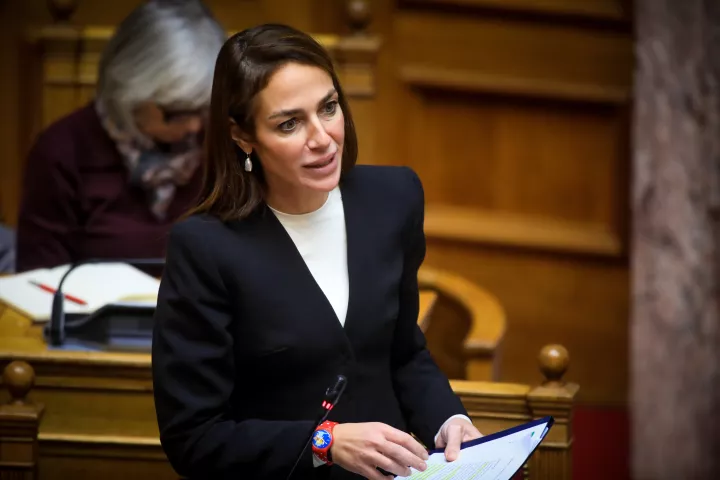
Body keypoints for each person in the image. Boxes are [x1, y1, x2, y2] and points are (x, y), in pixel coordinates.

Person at [151, 24, 482, 480]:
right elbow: (194, 438)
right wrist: (325, 442)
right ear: (242, 136)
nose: (322, 138)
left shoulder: (394, 199)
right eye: (289, 123)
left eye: (328, 108)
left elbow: (403, 352)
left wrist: (448, 419)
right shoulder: (205, 247)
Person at [15, 0, 226, 272]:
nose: (195, 127)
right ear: (130, 91)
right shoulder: (63, 152)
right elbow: (39, 280)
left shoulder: (223, 144)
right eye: (177, 111)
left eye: (204, 109)